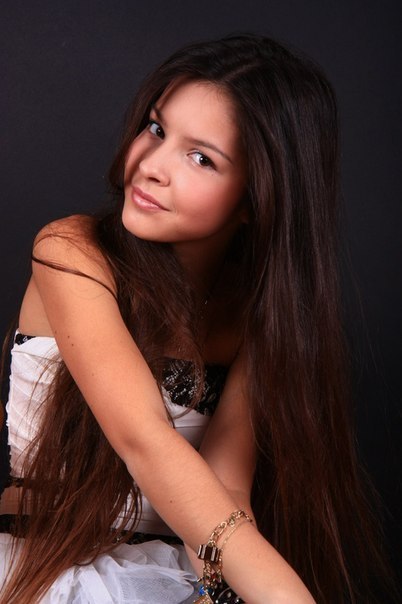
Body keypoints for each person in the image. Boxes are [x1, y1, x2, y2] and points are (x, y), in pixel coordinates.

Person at [0, 33, 393, 604]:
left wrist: (222, 595)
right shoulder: (71, 251)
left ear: (256, 198)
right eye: (157, 129)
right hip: (43, 563)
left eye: (202, 157)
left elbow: (226, 487)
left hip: (177, 570)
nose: (152, 166)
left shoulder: (256, 316)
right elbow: (144, 440)